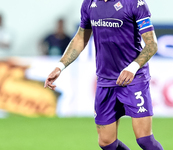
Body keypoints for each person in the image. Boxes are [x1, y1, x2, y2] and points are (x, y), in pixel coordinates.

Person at [44, 0, 164, 149]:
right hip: (105, 80)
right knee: (106, 142)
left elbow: (152, 44)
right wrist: (60, 66)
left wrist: (132, 68)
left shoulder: (134, 3)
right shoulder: (89, 4)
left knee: (144, 139)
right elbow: (80, 38)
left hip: (134, 79)